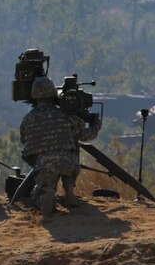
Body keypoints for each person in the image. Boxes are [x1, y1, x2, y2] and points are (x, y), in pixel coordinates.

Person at [19, 76, 100, 220]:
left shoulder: (28, 119)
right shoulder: (65, 114)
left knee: (38, 192)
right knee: (71, 155)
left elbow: (24, 141)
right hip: (69, 162)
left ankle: (45, 196)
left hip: (45, 164)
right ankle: (69, 193)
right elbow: (86, 135)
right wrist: (96, 124)